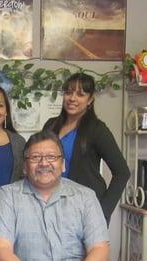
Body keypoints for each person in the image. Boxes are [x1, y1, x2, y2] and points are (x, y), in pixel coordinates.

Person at [0, 131, 110, 261]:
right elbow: (0, 250)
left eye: (52, 157)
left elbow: (100, 247)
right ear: (25, 167)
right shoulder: (7, 196)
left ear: (63, 164)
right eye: (36, 157)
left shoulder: (85, 196)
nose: (44, 163)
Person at [42, 72, 130, 223]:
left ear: (90, 100)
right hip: (51, 205)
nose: (72, 98)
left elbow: (122, 172)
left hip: (85, 210)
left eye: (81, 94)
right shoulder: (51, 125)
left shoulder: (97, 129)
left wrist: (103, 212)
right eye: (68, 92)